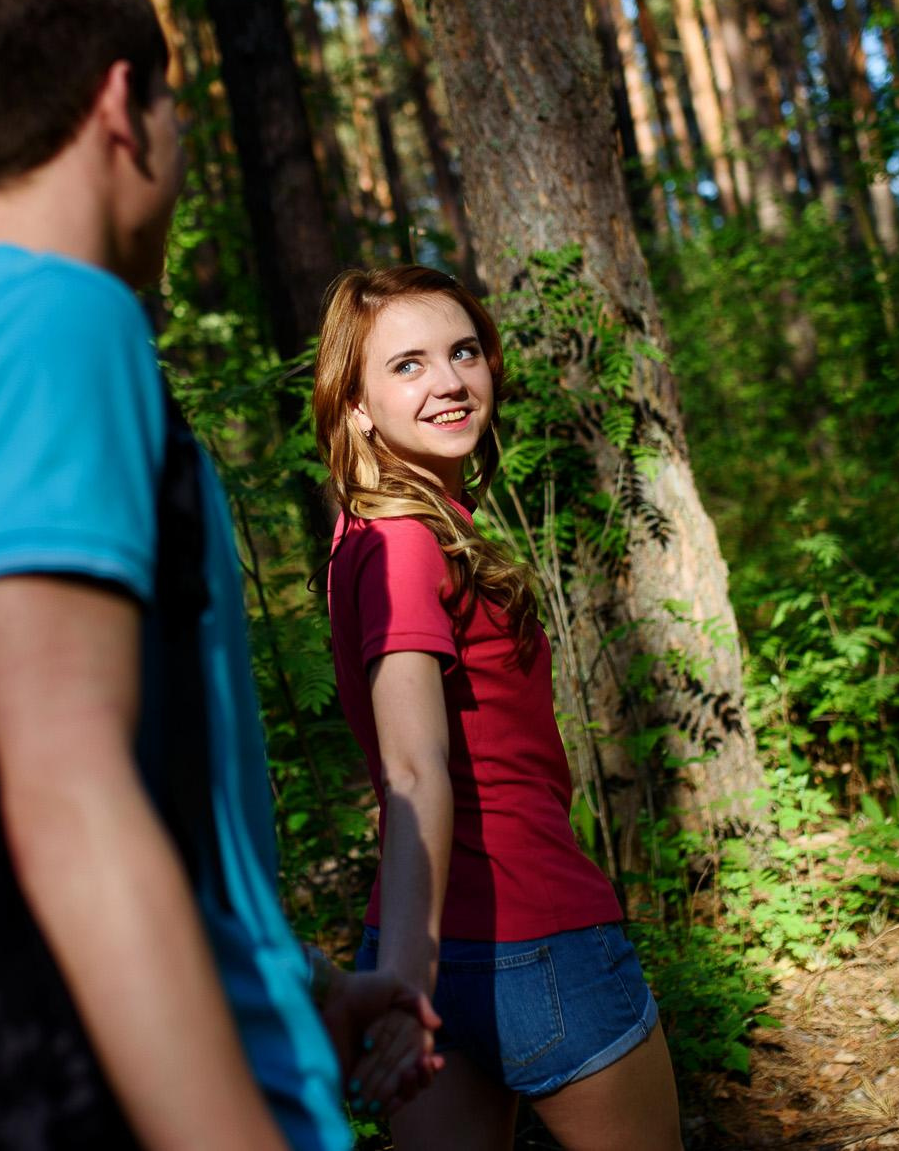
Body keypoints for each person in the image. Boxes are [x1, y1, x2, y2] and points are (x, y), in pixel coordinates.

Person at [0, 0, 435, 1149]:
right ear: (117, 108)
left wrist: (292, 983)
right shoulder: (54, 326)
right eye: (175, 104)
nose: (181, 143)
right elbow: (67, 799)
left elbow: (140, 786)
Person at [312, 265, 685, 1150]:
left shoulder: (374, 532)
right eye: (407, 365)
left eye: (463, 351)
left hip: (438, 940)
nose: (448, 381)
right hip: (532, 931)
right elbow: (409, 765)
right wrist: (407, 987)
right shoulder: (406, 542)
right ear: (356, 403)